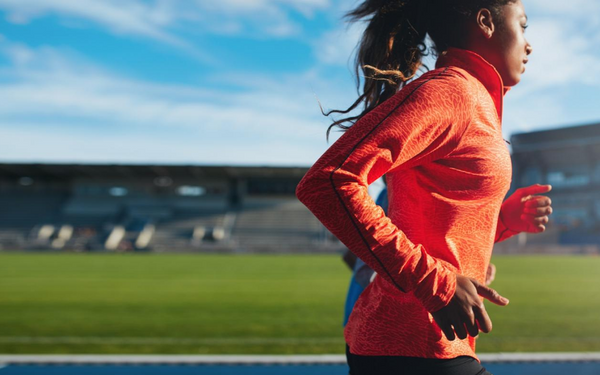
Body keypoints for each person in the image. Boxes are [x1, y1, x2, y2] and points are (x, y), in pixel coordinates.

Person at [296, 1, 553, 374]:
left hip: (432, 346)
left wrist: (503, 221)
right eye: (523, 26)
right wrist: (438, 285)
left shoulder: (477, 100)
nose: (529, 44)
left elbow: (435, 231)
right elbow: (329, 180)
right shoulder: (450, 94)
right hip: (408, 345)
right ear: (485, 22)